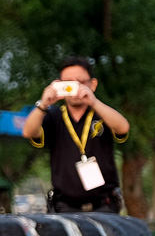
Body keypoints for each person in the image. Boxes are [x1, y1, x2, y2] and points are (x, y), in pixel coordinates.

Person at [22, 56, 130, 213]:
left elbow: (123, 128)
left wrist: (93, 102)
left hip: (104, 205)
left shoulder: (101, 113)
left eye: (80, 83)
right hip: (65, 207)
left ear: (92, 84)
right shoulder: (53, 117)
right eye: (68, 83)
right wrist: (43, 104)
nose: (74, 89)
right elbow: (28, 131)